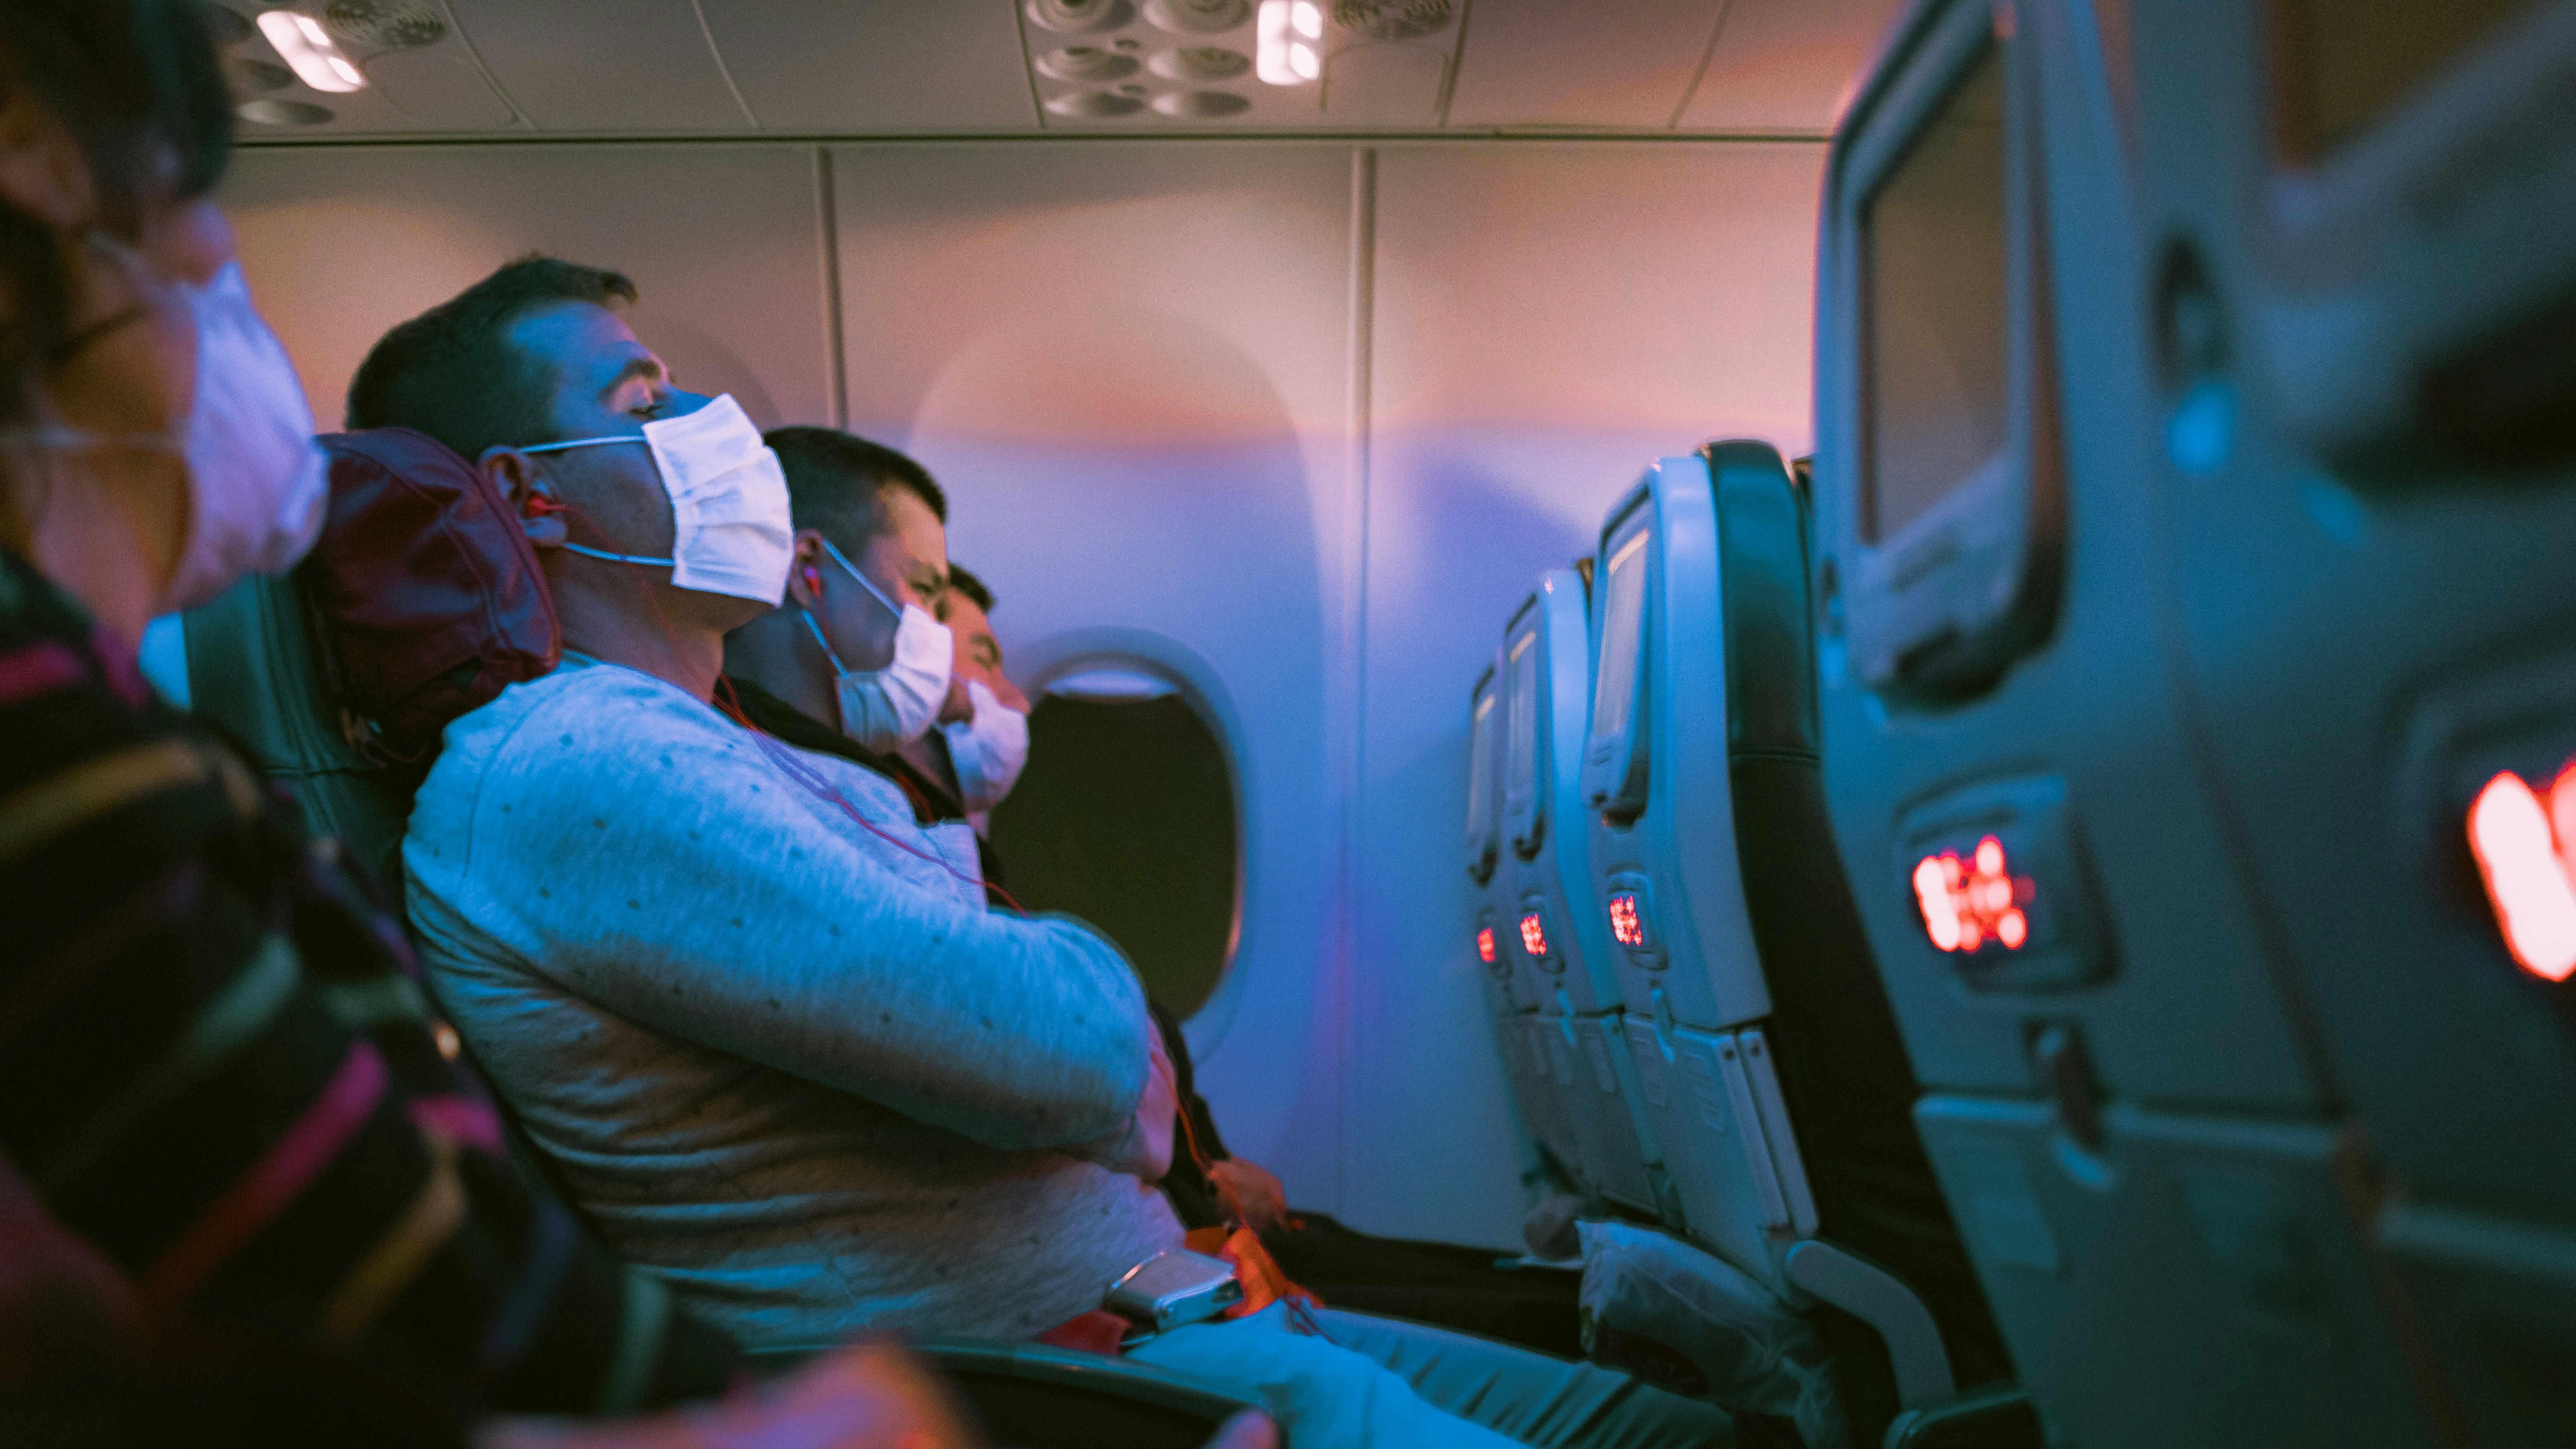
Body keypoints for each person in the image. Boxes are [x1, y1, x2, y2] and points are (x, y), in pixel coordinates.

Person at [364, 260, 1732, 1448]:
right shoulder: (583, 766)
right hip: (1073, 1388)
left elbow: (1050, 1017)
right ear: (529, 501)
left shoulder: (720, 742)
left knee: (1689, 1433)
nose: (712, 432)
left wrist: (1075, 1015)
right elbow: (1073, 1046)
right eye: (641, 399)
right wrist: (1087, 1003)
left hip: (1169, 1328)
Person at [0, 0, 741, 1420]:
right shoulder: (49, 753)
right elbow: (426, 1303)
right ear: (38, 182)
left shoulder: (109, 733)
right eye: (204, 245)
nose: (238, 322)